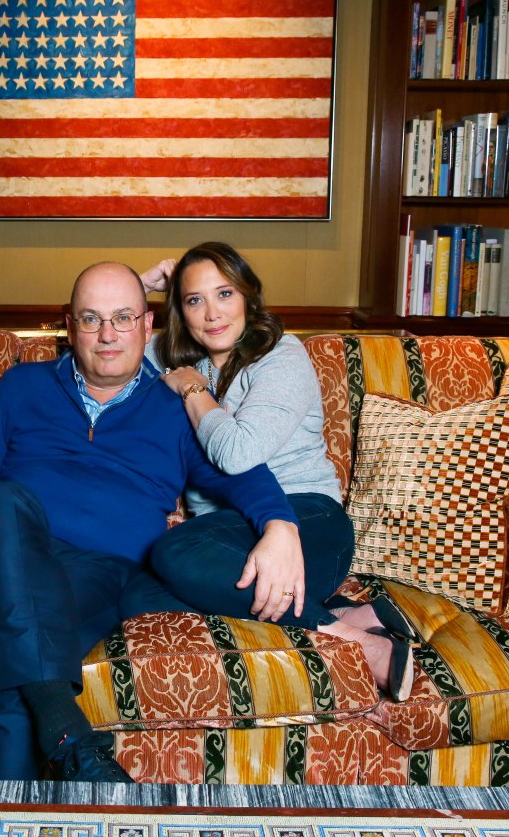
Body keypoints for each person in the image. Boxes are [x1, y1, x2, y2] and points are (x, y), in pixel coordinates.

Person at [0, 261, 300, 783]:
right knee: (4, 501)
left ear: (146, 326)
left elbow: (236, 472)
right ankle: (71, 740)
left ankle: (35, 773)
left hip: (96, 576)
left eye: (121, 317)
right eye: (91, 319)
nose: (107, 334)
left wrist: (280, 526)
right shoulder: (23, 385)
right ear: (70, 327)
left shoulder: (174, 403)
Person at [131, 242, 414, 701]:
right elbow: (101, 358)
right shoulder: (182, 355)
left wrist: (192, 389)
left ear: (247, 296)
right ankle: (348, 616)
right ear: (180, 311)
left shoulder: (281, 356)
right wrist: (141, 287)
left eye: (224, 294)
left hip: (308, 526)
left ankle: (361, 645)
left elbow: (237, 452)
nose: (212, 313)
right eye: (194, 300)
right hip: (228, 537)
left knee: (173, 553)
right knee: (134, 595)